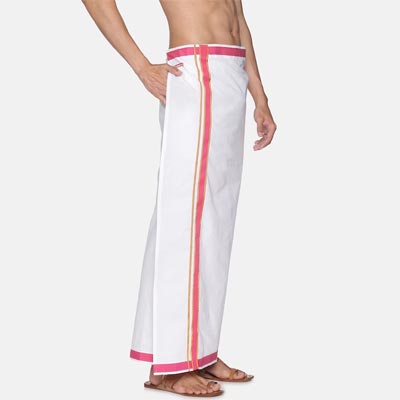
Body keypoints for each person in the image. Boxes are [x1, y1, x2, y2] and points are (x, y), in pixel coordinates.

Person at [82, 0, 276, 397]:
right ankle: (172, 366)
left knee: (214, 224)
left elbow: (238, 19)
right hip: (198, 71)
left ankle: (199, 352)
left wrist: (260, 96)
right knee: (185, 221)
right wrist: (141, 67)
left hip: (229, 72)